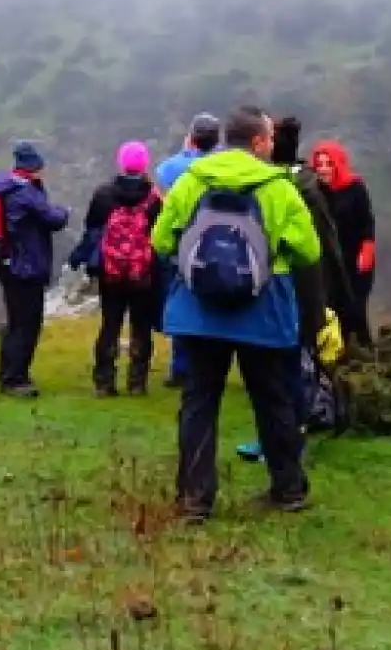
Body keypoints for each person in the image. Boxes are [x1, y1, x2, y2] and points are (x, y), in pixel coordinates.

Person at [152, 106, 320, 520]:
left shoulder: (193, 180)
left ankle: (195, 499)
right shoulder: (278, 187)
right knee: (272, 399)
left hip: (199, 311)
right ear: (259, 142)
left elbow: (161, 240)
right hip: (263, 311)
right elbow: (309, 250)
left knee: (199, 402)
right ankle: (288, 489)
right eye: (270, 137)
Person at [236, 115, 353, 461]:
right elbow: (328, 247)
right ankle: (286, 438)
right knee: (291, 367)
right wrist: (337, 293)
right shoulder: (306, 186)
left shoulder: (280, 187)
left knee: (285, 370)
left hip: (283, 289)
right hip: (303, 289)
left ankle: (288, 440)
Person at [0, 142, 69, 399]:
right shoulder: (25, 193)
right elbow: (54, 219)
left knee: (15, 319)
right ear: (34, 166)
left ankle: (5, 369)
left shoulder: (3, 187)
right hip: (26, 267)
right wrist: (65, 211)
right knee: (28, 323)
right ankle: (15, 379)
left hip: (7, 264)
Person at [82, 141, 163, 397]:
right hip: (142, 272)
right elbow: (161, 234)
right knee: (141, 325)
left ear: (121, 163)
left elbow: (91, 226)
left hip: (111, 271)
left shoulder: (104, 194)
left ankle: (104, 382)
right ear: (144, 164)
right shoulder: (154, 198)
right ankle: (137, 383)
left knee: (110, 324)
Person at [155, 112, 222, 386]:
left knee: (184, 308)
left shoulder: (172, 168)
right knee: (215, 307)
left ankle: (180, 367)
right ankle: (211, 367)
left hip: (182, 249)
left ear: (191, 137)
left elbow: (161, 186)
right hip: (217, 246)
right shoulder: (225, 165)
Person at [310, 140, 376, 346]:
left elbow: (367, 222)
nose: (323, 169)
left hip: (356, 259)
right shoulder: (315, 192)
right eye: (319, 164)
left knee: (356, 309)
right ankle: (339, 353)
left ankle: (365, 351)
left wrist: (367, 249)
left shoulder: (355, 188)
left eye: (328, 164)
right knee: (334, 309)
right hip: (330, 262)